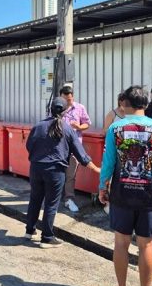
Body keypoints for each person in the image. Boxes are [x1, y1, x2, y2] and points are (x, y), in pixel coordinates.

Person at [99, 86, 152, 286]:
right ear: (146, 104)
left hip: (122, 193)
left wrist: (103, 186)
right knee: (146, 245)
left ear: (124, 104)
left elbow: (108, 162)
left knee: (121, 243)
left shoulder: (115, 128)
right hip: (149, 195)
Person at [25, 97, 100, 248]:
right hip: (55, 171)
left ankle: (29, 231)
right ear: (65, 111)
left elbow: (29, 146)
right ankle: (47, 238)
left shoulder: (38, 126)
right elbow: (81, 155)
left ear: (50, 109)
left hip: (36, 168)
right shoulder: (67, 129)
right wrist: (96, 169)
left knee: (35, 199)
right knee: (51, 204)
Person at [60, 86, 92, 213]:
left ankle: (69, 199)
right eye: (65, 99)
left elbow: (87, 123)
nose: (68, 102)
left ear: (72, 96)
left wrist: (79, 127)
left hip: (74, 147)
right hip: (59, 148)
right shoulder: (57, 108)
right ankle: (54, 197)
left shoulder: (80, 108)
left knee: (70, 175)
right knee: (57, 174)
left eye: (70, 99)